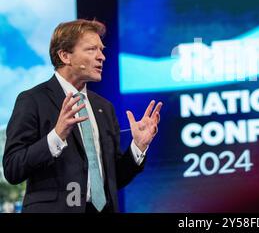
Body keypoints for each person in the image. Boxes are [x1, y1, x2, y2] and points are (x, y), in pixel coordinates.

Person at [2, 19, 162, 213]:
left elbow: (113, 179)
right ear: (65, 56)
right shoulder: (33, 100)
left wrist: (138, 147)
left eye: (101, 50)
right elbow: (12, 169)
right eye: (91, 49)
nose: (101, 57)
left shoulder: (104, 107)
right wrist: (56, 136)